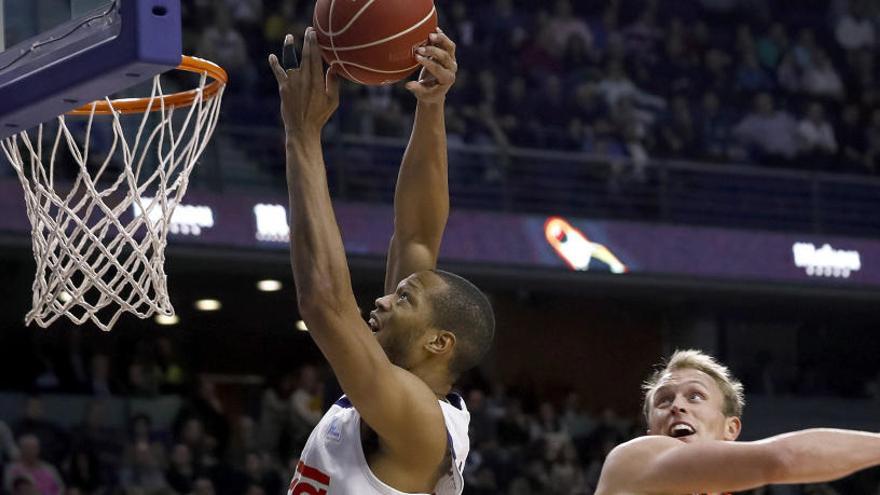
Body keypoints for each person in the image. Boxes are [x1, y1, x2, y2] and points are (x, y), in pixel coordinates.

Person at [268, 26, 495, 495]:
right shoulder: (401, 393)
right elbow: (416, 231)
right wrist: (431, 106)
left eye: (404, 298)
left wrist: (303, 134)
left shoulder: (417, 419)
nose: (384, 299)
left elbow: (325, 305)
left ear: (439, 342)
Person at [595, 349, 880, 494]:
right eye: (664, 400)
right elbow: (782, 459)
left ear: (730, 428)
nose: (677, 406)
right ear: (649, 432)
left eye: (694, 397)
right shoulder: (632, 460)